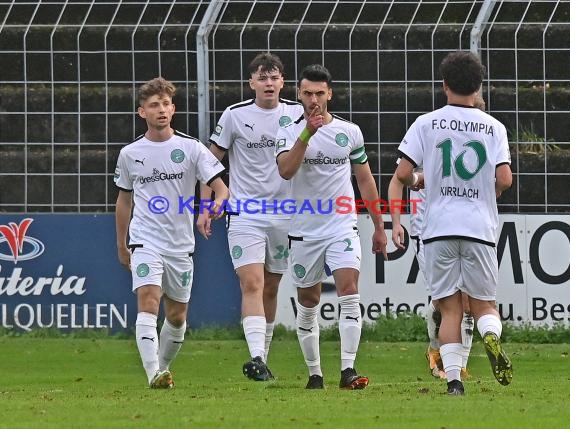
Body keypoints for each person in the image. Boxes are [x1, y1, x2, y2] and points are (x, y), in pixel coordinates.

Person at [394, 51, 513, 395]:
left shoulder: (426, 122)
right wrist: (484, 189)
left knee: (449, 310)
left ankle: (454, 382)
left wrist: (421, 180)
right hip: (479, 227)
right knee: (484, 305)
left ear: (444, 85)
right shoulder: (494, 127)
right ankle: (490, 335)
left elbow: (403, 173)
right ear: (478, 88)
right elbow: (504, 179)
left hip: (437, 228)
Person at [276, 64, 388, 390]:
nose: (313, 100)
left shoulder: (349, 132)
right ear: (298, 94)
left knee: (349, 291)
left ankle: (348, 370)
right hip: (303, 229)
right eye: (308, 93)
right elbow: (285, 170)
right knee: (309, 300)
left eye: (319, 93)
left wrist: (379, 226)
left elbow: (364, 180)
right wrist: (306, 135)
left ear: (330, 95)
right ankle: (314, 373)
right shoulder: (287, 129)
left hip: (341, 225)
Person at [114, 77, 229, 388]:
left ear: (173, 108)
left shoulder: (191, 148)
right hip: (145, 239)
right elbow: (124, 200)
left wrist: (216, 203)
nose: (161, 110)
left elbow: (221, 188)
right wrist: (122, 244)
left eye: (165, 104)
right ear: (142, 112)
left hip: (180, 245)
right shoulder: (130, 153)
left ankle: (161, 369)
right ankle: (153, 373)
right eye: (154, 105)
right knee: (149, 300)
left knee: (177, 317)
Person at [196, 53, 304, 381]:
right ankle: (255, 357)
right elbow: (208, 162)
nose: (268, 83)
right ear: (252, 83)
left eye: (274, 78)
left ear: (283, 82)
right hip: (245, 214)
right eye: (262, 78)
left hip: (286, 215)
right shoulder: (235, 115)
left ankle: (263, 357)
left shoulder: (298, 114)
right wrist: (205, 204)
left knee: (271, 287)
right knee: (252, 283)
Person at [388, 93, 486, 381]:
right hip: (427, 233)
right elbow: (398, 179)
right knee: (448, 302)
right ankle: (436, 350)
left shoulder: (471, 152)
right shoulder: (429, 137)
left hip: (463, 229)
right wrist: (396, 221)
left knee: (466, 300)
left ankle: (457, 364)